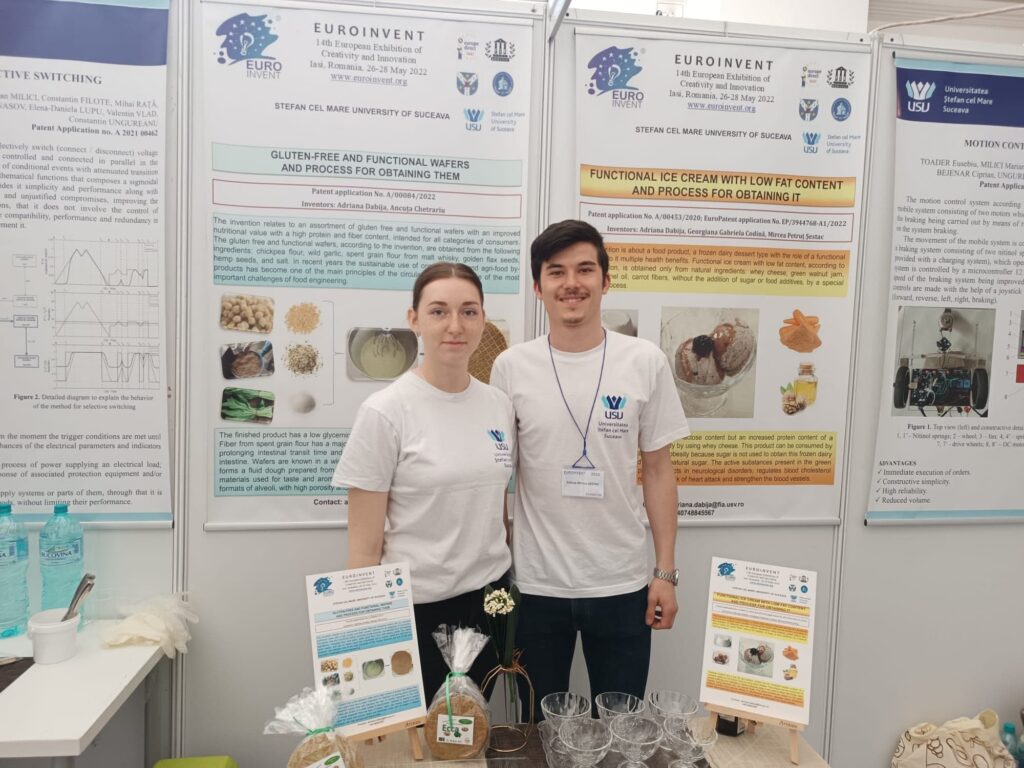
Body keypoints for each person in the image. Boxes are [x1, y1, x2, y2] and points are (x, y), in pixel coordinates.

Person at [490, 220, 689, 716]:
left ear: (606, 280)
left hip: (621, 583)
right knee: (539, 728)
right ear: (538, 287)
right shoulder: (511, 367)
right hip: (536, 585)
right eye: (556, 272)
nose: (571, 283)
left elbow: (659, 470)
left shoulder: (644, 361)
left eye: (584, 269)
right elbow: (496, 475)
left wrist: (665, 572)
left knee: (620, 728)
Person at [332, 262, 514, 698]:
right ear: (413, 319)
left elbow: (498, 510)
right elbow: (363, 549)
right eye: (438, 311)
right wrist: (365, 634)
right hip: (416, 608)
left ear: (482, 319)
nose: (455, 325)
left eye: (468, 311)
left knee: (472, 725)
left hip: (491, 600)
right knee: (417, 731)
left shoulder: (498, 405)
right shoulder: (385, 411)